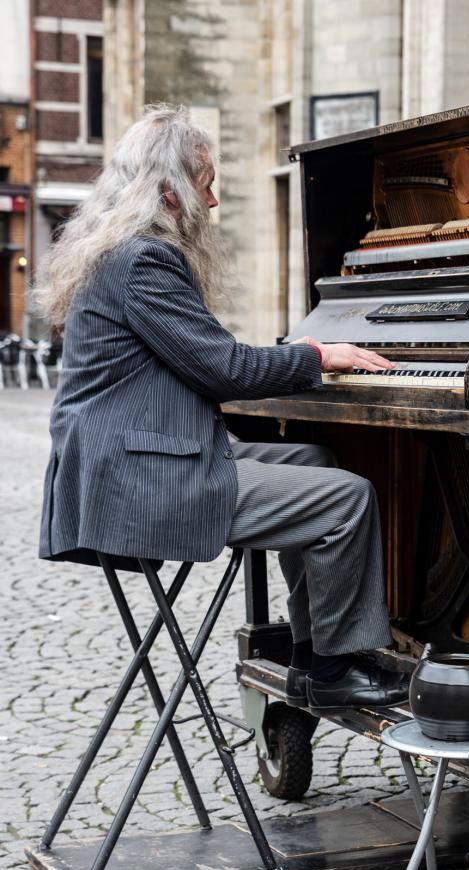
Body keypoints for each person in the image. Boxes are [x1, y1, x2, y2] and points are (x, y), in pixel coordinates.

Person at [35, 103, 408, 712]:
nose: (212, 204)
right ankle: (337, 668)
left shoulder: (119, 254)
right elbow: (223, 368)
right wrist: (318, 355)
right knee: (347, 497)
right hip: (141, 481)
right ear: (170, 192)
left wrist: (300, 359)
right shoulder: (142, 261)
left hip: (140, 458)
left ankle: (315, 652)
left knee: (315, 458)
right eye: (206, 187)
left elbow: (204, 363)